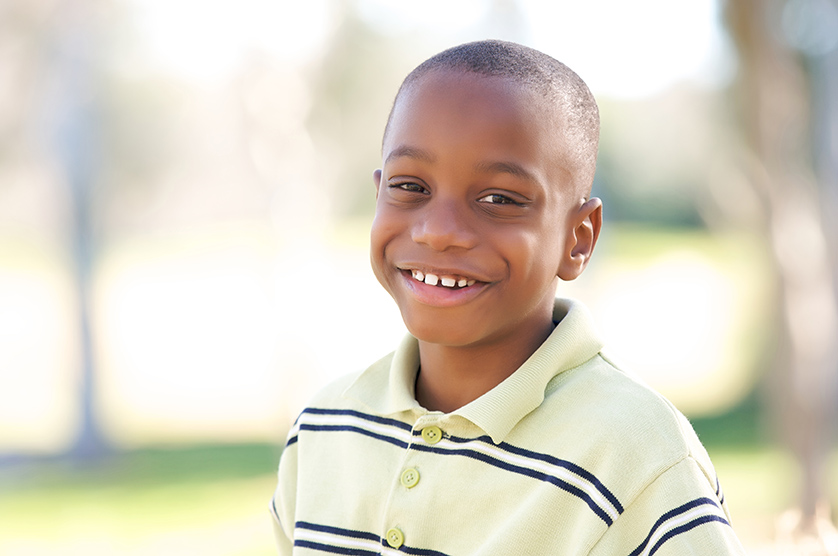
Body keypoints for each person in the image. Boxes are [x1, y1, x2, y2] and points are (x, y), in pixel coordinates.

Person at [270, 39, 746, 555]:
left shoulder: (639, 456)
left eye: (499, 199)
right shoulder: (323, 427)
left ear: (578, 238)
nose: (438, 232)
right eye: (411, 187)